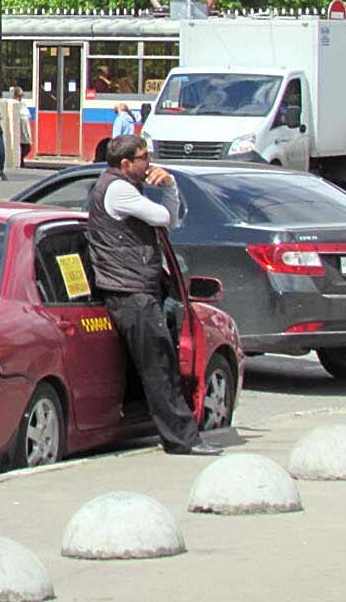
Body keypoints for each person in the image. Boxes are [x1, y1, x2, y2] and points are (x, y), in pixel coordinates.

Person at [85, 134, 219, 457]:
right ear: (126, 163)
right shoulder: (117, 189)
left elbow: (170, 219)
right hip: (129, 292)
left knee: (160, 362)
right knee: (159, 366)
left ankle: (165, 431)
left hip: (137, 288)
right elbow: (162, 217)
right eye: (144, 157)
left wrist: (169, 187)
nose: (150, 163)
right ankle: (182, 439)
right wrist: (169, 186)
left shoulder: (126, 187)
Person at [11, 86, 33, 162]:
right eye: (19, 96)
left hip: (25, 126)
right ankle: (20, 160)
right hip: (19, 127)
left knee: (27, 146)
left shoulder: (22, 104)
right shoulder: (13, 103)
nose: (20, 98)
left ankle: (20, 159)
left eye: (21, 96)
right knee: (22, 146)